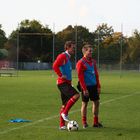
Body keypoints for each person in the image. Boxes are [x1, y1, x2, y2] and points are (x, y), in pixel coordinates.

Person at [53, 41, 80, 130]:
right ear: (67, 48)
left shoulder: (67, 57)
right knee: (76, 95)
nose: (74, 49)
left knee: (64, 104)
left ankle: (62, 125)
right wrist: (61, 75)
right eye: (73, 48)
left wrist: (70, 82)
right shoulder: (63, 56)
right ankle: (65, 113)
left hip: (66, 83)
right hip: (62, 83)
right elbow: (55, 66)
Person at [76, 44, 103, 128]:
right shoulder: (80, 63)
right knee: (85, 104)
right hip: (85, 87)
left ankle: (95, 122)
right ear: (85, 52)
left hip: (94, 86)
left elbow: (96, 74)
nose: (91, 52)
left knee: (96, 102)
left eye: (91, 51)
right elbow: (80, 77)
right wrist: (84, 89)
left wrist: (98, 86)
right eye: (90, 51)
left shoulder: (93, 61)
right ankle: (84, 122)